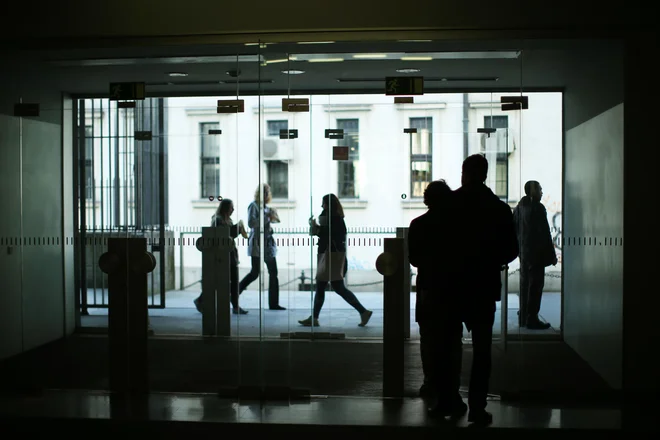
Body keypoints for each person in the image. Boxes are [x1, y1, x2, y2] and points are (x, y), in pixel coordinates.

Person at [454, 154, 518, 426]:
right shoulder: (499, 208)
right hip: (483, 285)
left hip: (452, 284)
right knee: (482, 350)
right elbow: (512, 250)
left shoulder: (450, 204)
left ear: (464, 173)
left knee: (449, 346)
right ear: (486, 174)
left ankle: (450, 399)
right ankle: (477, 405)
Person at [408, 179, 465, 418]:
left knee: (430, 340)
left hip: (429, 288)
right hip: (453, 289)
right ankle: (452, 392)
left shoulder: (418, 224)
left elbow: (414, 260)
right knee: (452, 341)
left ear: (427, 199)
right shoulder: (459, 225)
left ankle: (432, 383)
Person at [299, 194, 372, 327]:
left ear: (329, 204)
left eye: (324, 203)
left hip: (329, 256)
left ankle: (315, 317)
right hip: (331, 256)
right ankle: (362, 312)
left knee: (327, 286)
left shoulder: (333, 218)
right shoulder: (334, 217)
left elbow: (328, 234)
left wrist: (316, 227)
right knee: (334, 287)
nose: (322, 206)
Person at [513, 180, 557, 330]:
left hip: (524, 255)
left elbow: (515, 232)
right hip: (536, 255)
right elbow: (545, 233)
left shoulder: (518, 208)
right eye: (539, 189)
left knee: (525, 286)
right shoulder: (538, 208)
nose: (541, 192)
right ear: (532, 191)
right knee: (536, 287)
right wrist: (552, 255)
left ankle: (524, 316)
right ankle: (532, 318)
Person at [194, 198, 249, 314]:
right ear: (225, 208)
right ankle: (201, 300)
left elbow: (228, 235)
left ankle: (235, 306)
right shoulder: (218, 220)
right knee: (218, 281)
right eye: (231, 207)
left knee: (232, 281)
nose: (233, 209)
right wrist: (236, 229)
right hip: (222, 256)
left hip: (230, 254)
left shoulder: (226, 219)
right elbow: (222, 236)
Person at [238, 183, 286, 310]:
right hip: (258, 244)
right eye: (264, 192)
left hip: (267, 243)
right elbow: (251, 223)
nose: (266, 195)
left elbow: (269, 221)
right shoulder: (253, 206)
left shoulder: (266, 207)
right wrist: (266, 217)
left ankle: (274, 303)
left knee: (273, 272)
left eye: (267, 193)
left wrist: (273, 217)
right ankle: (234, 293)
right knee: (254, 273)